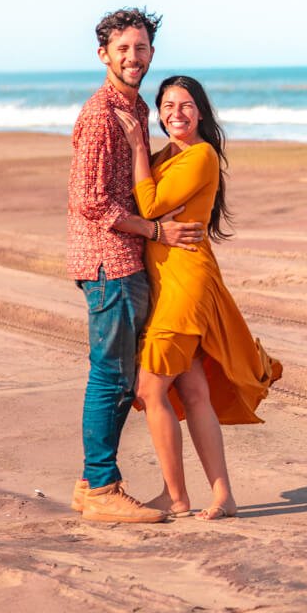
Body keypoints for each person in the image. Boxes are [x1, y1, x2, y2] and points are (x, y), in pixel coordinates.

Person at [114, 75, 280, 520]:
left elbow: (148, 206)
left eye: (185, 105)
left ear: (201, 112)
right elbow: (142, 202)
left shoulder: (201, 156)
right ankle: (222, 494)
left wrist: (134, 151)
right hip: (167, 281)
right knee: (193, 388)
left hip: (186, 282)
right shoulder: (167, 155)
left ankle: (176, 496)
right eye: (167, 106)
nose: (176, 114)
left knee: (151, 388)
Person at [66, 9, 204, 524]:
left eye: (141, 48)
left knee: (122, 375)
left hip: (125, 261)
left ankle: (90, 482)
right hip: (109, 262)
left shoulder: (137, 106)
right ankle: (102, 487)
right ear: (104, 54)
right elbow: (90, 201)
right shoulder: (102, 113)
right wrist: (154, 231)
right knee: (111, 376)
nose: (133, 57)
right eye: (123, 49)